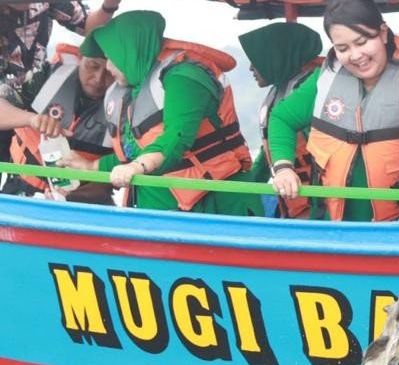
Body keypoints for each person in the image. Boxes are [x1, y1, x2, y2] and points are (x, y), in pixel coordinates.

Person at [269, 0, 399, 222]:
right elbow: (281, 118)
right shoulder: (323, 80)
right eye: (343, 48)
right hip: (334, 227)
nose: (356, 55)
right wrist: (283, 167)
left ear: (383, 33)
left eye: (362, 42)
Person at [62, 11, 261, 215]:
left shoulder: (185, 76)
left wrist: (136, 167)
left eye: (112, 57)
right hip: (162, 210)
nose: (109, 67)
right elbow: (133, 152)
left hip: (214, 206)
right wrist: (89, 166)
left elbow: (176, 137)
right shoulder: (137, 86)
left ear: (129, 51)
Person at [0, 0, 121, 161]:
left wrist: (110, 3)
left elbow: (89, 29)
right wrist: (29, 119)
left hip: (29, 98)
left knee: (36, 158)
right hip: (5, 106)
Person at [2, 44, 115, 204]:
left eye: (109, 71)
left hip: (81, 203)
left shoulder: (125, 103)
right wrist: (32, 119)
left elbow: (117, 175)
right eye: (93, 66)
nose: (98, 79)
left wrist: (68, 198)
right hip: (20, 191)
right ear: (80, 58)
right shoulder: (47, 73)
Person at [238, 22, 323, 218]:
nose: (251, 68)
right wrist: (249, 187)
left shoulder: (311, 92)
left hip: (315, 203)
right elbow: (269, 149)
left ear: (276, 58)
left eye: (256, 60)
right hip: (291, 200)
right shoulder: (280, 90)